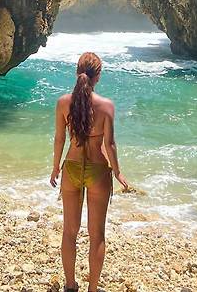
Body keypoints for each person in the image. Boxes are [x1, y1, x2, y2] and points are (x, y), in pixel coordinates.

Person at [50, 51, 129, 292]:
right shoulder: (106, 106)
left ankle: (70, 285)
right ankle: (92, 289)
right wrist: (117, 172)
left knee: (69, 232)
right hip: (98, 171)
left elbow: (59, 139)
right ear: (98, 77)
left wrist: (55, 168)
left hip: (71, 168)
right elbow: (110, 144)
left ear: (77, 73)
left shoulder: (64, 103)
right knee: (97, 235)